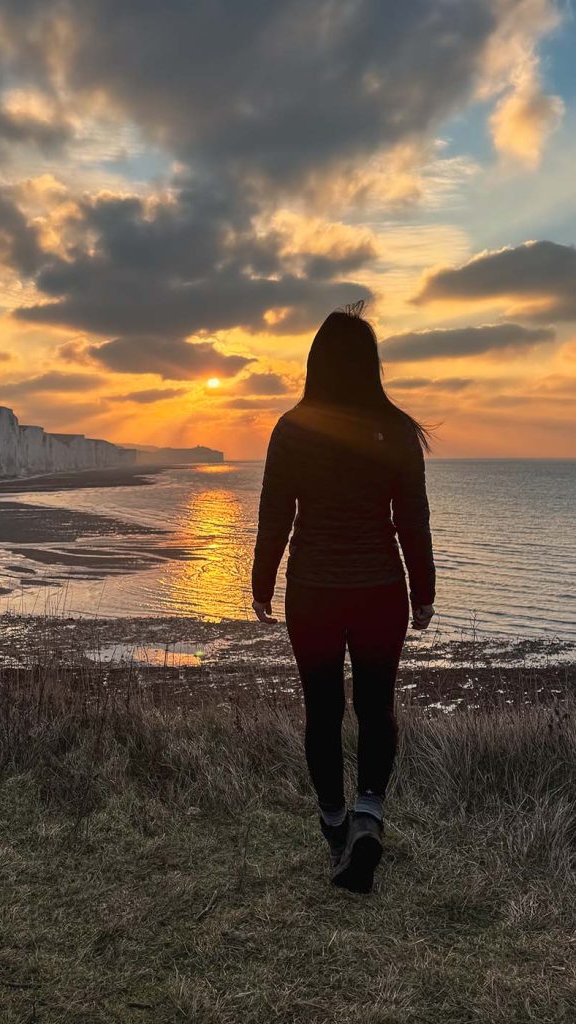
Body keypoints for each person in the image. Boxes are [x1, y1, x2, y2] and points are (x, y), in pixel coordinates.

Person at [250, 303, 437, 895]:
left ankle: (336, 828)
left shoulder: (292, 428)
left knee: (323, 711)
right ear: (370, 366)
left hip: (314, 593)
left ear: (315, 364)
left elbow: (276, 513)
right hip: (381, 591)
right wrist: (424, 592)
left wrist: (261, 583)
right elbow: (412, 518)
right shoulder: (396, 430)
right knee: (377, 706)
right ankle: (369, 817)